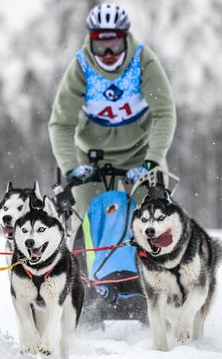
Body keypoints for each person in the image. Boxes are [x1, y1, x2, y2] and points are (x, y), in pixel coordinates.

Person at [48, 3, 176, 244]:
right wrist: (71, 169)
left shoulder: (143, 61)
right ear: (91, 42)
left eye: (114, 45)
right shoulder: (81, 67)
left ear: (125, 39)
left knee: (154, 222)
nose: (108, 54)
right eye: (100, 45)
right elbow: (60, 124)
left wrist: (153, 159)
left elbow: (165, 114)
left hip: (140, 155)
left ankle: (156, 276)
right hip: (92, 158)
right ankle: (82, 277)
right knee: (83, 226)